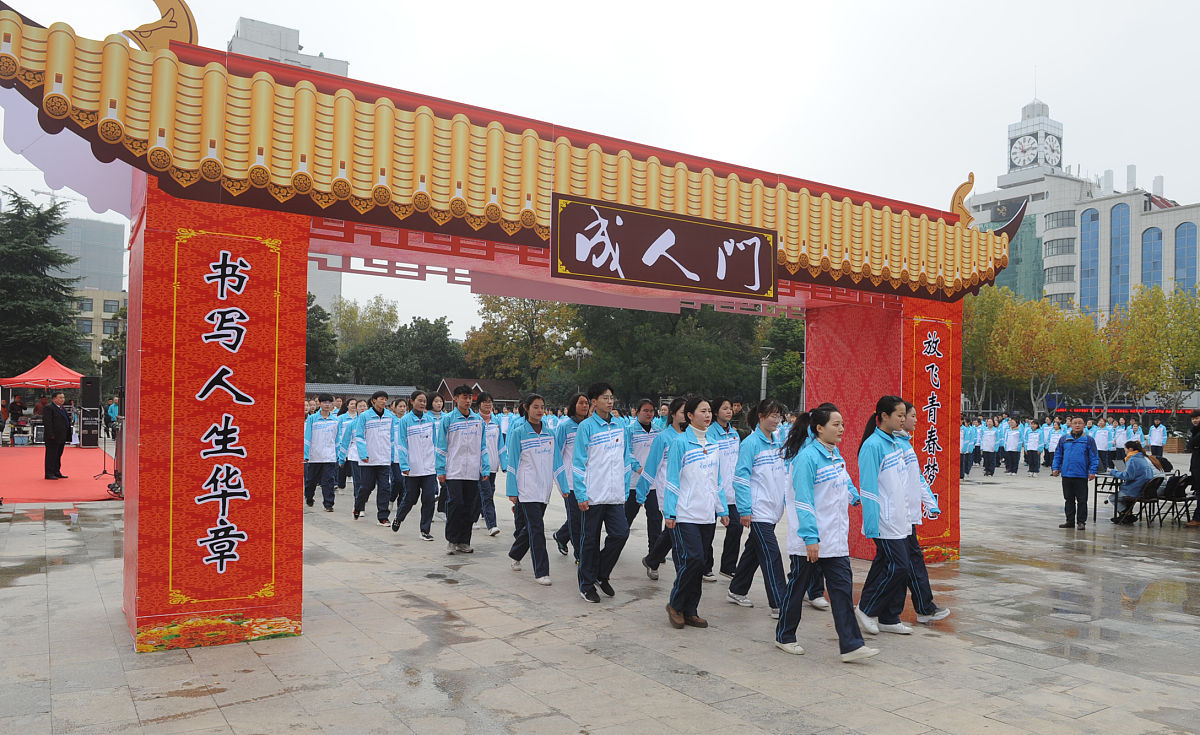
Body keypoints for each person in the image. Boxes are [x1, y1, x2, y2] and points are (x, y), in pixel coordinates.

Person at [774, 402, 878, 660]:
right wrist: (810, 538)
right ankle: (785, 636)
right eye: (836, 424)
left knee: (842, 591)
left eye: (842, 423)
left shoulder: (835, 454)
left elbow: (844, 482)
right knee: (797, 589)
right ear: (819, 428)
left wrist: (856, 496)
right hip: (811, 540)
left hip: (834, 539)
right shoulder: (806, 459)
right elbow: (803, 501)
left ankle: (852, 645)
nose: (842, 428)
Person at [662, 396, 728, 628]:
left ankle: (690, 610)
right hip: (685, 514)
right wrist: (670, 512)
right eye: (703, 411)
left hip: (707, 514)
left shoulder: (713, 443)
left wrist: (722, 508)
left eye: (710, 411)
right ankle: (675, 604)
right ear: (690, 416)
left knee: (701, 564)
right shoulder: (680, 443)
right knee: (693, 559)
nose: (708, 415)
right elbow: (672, 480)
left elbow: (716, 479)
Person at [854, 396, 915, 637]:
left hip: (899, 518)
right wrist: (871, 524)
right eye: (899, 415)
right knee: (898, 566)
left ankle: (890, 616)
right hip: (885, 520)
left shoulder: (894, 443)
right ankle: (866, 608)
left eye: (904, 415)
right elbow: (868, 488)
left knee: (887, 565)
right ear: (883, 416)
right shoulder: (872, 446)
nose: (903, 419)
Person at [726, 398, 789, 618]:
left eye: (778, 416)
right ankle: (780, 603)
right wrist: (744, 509)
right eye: (772, 415)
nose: (776, 420)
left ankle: (736, 589)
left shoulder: (777, 442)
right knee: (771, 555)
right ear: (761, 417)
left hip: (773, 509)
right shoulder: (751, 444)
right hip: (758, 510)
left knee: (754, 550)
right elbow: (741, 478)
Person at [572, 382, 633, 603]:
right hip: (593, 495)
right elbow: (578, 463)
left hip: (615, 494)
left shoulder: (620, 426)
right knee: (590, 541)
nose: (610, 401)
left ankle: (601, 573)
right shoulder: (586, 427)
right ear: (594, 402)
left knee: (621, 533)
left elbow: (625, 459)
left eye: (611, 397)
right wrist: (581, 494)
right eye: (605, 397)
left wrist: (624, 489)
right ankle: (586, 585)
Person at [897, 402, 950, 624]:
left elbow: (917, 479)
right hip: (898, 517)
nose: (915, 419)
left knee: (902, 563)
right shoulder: (892, 446)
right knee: (904, 563)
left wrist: (929, 502)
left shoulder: (905, 445)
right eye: (910, 415)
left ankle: (875, 609)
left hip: (907, 516)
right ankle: (923, 609)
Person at [505, 393, 556, 585]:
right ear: (526, 408)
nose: (540, 410)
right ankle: (541, 571)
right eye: (536, 407)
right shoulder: (519, 432)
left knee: (532, 526)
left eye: (542, 406)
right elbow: (512, 463)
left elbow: (556, 460)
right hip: (526, 488)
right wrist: (512, 491)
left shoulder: (550, 433)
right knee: (537, 528)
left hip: (544, 487)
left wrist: (564, 486)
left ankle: (515, 552)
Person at [637, 397, 688, 580]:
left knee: (673, 531)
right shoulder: (663, 438)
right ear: (673, 414)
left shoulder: (690, 436)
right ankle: (682, 576)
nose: (686, 416)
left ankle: (652, 559)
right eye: (683, 412)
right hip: (668, 492)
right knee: (676, 533)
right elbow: (651, 467)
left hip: (687, 492)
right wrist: (641, 494)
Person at [437, 385, 490, 555]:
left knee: (470, 506)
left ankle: (464, 541)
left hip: (473, 471)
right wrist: (441, 469)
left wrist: (485, 468)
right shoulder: (448, 420)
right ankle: (452, 540)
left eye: (470, 397)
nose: (467, 401)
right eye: (464, 397)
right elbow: (441, 447)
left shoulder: (478, 421)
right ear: (455, 398)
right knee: (456, 504)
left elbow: (483, 447)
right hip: (454, 470)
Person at [392, 391, 439, 541]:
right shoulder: (405, 421)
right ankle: (399, 517)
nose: (423, 403)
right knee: (411, 498)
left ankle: (424, 530)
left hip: (429, 467)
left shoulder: (429, 420)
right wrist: (404, 465)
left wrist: (438, 462)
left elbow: (435, 443)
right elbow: (402, 444)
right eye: (420, 400)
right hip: (412, 467)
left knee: (429, 499)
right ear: (412, 401)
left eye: (425, 401)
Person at [551, 393, 590, 561]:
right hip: (571, 481)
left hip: (588, 480)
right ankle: (580, 555)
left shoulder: (590, 426)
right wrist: (561, 483)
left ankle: (561, 536)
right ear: (573, 405)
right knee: (575, 518)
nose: (585, 406)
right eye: (581, 403)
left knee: (584, 518)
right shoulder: (565, 426)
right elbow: (557, 455)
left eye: (587, 403)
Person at [705, 396, 741, 582]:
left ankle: (728, 566)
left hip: (732, 491)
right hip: (713, 489)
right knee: (708, 530)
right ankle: (705, 566)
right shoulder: (709, 433)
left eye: (730, 408)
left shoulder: (735, 434)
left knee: (736, 527)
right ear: (716, 411)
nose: (728, 411)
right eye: (724, 408)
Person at [624, 399, 662, 568]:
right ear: (637, 412)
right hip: (634, 483)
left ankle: (654, 553)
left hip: (653, 484)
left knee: (655, 518)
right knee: (626, 519)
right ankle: (614, 547)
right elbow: (627, 454)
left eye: (651, 411)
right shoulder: (630, 431)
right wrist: (639, 468)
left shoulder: (658, 432)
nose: (649, 414)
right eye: (645, 410)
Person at [351, 391, 396, 524]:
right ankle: (358, 507)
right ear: (373, 401)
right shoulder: (365, 416)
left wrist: (392, 454)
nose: (384, 401)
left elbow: (392, 437)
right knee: (366, 487)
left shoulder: (390, 416)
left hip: (384, 459)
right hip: (368, 459)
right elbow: (359, 436)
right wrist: (363, 454)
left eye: (385, 399)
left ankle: (382, 516)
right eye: (381, 399)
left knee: (384, 487)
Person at [1051, 416, 1099, 530]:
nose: (1077, 425)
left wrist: (1092, 471)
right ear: (1070, 425)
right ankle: (1070, 521)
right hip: (1067, 474)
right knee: (1068, 499)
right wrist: (1055, 467)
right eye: (1075, 423)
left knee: (1082, 500)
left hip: (1081, 475)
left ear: (1084, 425)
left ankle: (1081, 522)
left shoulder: (1088, 440)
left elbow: (1094, 457)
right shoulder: (1064, 439)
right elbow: (1058, 455)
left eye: (1080, 423)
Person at [475, 392, 506, 536]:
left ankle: (472, 518)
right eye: (484, 402)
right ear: (479, 404)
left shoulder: (496, 422)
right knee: (486, 494)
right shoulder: (475, 420)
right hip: (480, 466)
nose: (488, 404)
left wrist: (504, 464)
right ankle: (492, 525)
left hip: (493, 464)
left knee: (485, 493)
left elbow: (500, 444)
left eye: (490, 402)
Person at [303, 394, 341, 510]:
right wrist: (306, 454)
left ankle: (329, 504)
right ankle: (309, 497)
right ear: (319, 403)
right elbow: (307, 437)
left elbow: (337, 438)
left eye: (329, 403)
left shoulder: (335, 420)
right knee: (311, 481)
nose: (327, 405)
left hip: (329, 456)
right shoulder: (312, 419)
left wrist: (338, 454)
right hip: (315, 455)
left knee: (328, 481)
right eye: (324, 402)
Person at [1111, 441, 1155, 524]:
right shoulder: (1142, 458)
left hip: (1135, 489)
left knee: (1113, 498)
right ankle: (1126, 516)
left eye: (1125, 449)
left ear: (1130, 449)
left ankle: (1126, 514)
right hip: (1143, 489)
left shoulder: (1132, 459)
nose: (1125, 451)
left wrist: (1113, 472)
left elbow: (1127, 476)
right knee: (1124, 498)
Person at [336, 399, 362, 493]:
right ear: (347, 405)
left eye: (355, 404)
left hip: (354, 445)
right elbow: (338, 431)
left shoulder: (359, 418)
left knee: (353, 465)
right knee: (342, 466)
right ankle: (341, 485)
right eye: (351, 404)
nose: (353, 406)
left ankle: (352, 479)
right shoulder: (341, 418)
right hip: (344, 444)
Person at [43, 391, 70, 479]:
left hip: (61, 436)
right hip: (53, 436)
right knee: (51, 455)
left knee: (58, 454)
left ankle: (56, 471)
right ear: (54, 399)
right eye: (60, 398)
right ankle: (49, 473)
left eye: (63, 398)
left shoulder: (62, 408)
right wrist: (51, 434)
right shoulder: (49, 408)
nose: (62, 399)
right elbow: (47, 422)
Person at [1186, 410, 1200, 528]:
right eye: (1193, 418)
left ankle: (1197, 518)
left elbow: (1191, 444)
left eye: (1197, 418)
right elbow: (1189, 446)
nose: (1195, 420)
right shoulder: (1194, 431)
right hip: (1195, 465)